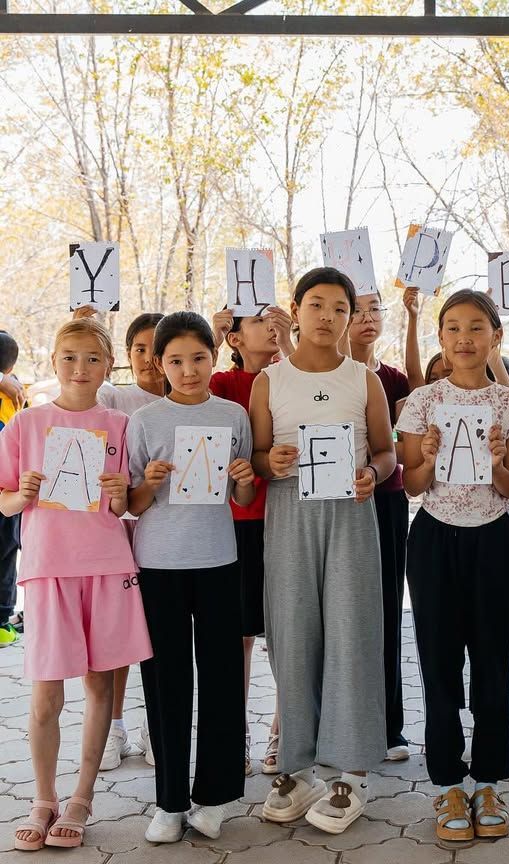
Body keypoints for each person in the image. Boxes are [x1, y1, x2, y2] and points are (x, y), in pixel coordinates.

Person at [251, 267, 395, 835]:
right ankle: (296, 765)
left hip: (351, 515)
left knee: (352, 633)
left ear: (350, 317)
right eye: (317, 304)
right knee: (292, 636)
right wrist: (270, 462)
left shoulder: (365, 379)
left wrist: (371, 474)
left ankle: (351, 772)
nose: (328, 317)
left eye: (340, 308)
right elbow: (257, 455)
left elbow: (386, 452)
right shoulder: (270, 381)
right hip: (289, 514)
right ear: (296, 309)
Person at [1, 318, 151, 850]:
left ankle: (82, 798)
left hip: (107, 567)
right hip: (48, 570)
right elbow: (5, 502)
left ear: (108, 365)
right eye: (69, 357)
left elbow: (130, 506)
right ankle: (43, 799)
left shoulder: (121, 425)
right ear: (53, 361)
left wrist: (119, 494)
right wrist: (22, 495)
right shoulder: (27, 423)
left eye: (91, 358)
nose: (79, 368)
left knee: (99, 687)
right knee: (46, 693)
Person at [397, 290, 509, 842]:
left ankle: (489, 781)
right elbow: (411, 485)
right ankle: (449, 783)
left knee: (493, 660)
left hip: (493, 538)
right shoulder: (422, 401)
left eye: (477, 327)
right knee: (439, 661)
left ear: (495, 337)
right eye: (452, 327)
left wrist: (497, 463)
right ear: (441, 337)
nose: (464, 338)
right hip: (434, 539)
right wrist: (427, 459)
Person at [127, 311, 256, 844]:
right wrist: (148, 483)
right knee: (166, 681)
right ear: (160, 364)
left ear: (213, 356)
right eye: (176, 361)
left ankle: (215, 796)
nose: (188, 370)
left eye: (198, 358)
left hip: (219, 560)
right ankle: (169, 801)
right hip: (158, 564)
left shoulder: (232, 415)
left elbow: (241, 496)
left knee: (223, 677)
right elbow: (131, 504)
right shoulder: (145, 421)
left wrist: (244, 479)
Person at [210, 310, 284, 775]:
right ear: (235, 338)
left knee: (284, 632)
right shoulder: (222, 382)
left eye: (276, 316)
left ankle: (284, 729)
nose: (272, 324)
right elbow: (190, 396)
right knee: (239, 635)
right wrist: (214, 336)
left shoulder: (289, 376)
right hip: (235, 522)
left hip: (286, 518)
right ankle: (235, 733)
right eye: (259, 319)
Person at [96, 312, 164, 773]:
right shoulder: (114, 396)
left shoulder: (185, 401)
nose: (148, 359)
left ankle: (155, 727)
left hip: (162, 534)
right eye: (139, 349)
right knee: (118, 635)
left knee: (159, 636)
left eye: (156, 350)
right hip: (116, 534)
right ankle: (113, 726)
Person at [346, 290, 413, 762]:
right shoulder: (321, 376)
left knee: (387, 607)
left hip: (386, 499)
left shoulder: (393, 379)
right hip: (336, 501)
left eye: (375, 309)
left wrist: (413, 314)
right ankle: (341, 724)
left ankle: (390, 726)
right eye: (357, 309)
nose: (367, 318)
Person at [0, 329, 24, 649]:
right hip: (8, 488)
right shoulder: (17, 390)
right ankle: (3, 622)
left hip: (7, 489)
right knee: (6, 555)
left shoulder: (13, 389)